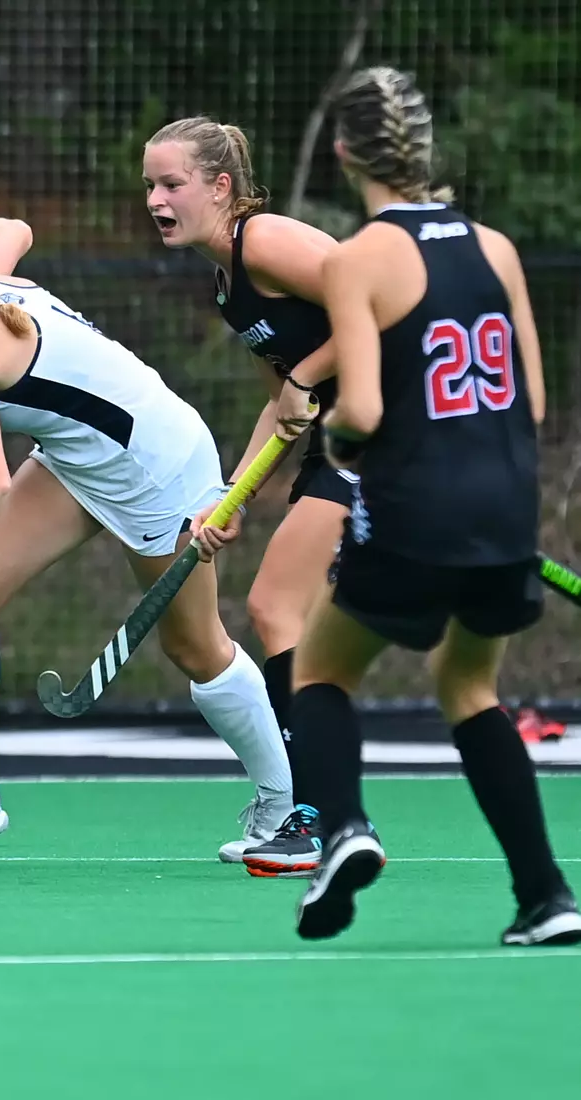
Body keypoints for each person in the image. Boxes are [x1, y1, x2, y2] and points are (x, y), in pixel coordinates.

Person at [0, 210, 291, 861]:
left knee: (195, 647)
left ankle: (285, 802)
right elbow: (16, 234)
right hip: (80, 456)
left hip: (154, 465)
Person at [268, 67, 577, 944]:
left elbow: (362, 411)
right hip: (506, 508)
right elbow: (532, 403)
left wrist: (337, 445)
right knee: (470, 686)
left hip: (412, 508)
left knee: (320, 672)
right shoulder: (497, 248)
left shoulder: (357, 258)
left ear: (343, 153)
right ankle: (546, 897)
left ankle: (344, 831)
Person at [142, 117, 351, 878]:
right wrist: (229, 497)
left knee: (274, 608)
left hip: (392, 431)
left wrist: (309, 374)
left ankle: (318, 817)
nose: (156, 200)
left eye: (172, 184)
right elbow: (279, 406)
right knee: (299, 619)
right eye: (150, 186)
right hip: (337, 441)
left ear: (220, 186)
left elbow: (385, 306)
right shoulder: (230, 284)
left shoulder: (264, 241)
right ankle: (324, 813)